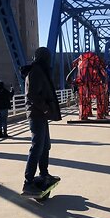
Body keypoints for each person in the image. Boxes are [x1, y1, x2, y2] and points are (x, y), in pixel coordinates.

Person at [21, 47, 62, 195]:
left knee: (45, 146)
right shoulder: (36, 71)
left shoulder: (40, 70)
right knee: (37, 147)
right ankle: (28, 182)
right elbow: (32, 94)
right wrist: (45, 108)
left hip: (41, 115)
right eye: (48, 57)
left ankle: (44, 173)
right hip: (37, 115)